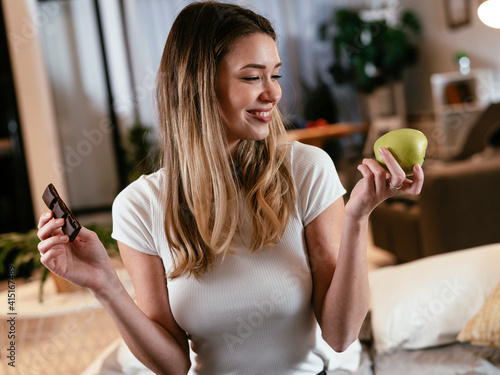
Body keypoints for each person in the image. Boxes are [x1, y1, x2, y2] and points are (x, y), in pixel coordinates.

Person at [37, 1, 424, 374]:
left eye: (276, 75)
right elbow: (172, 365)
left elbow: (341, 335)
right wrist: (105, 285)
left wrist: (357, 217)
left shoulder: (307, 169)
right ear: (199, 86)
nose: (273, 93)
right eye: (253, 77)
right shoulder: (139, 205)